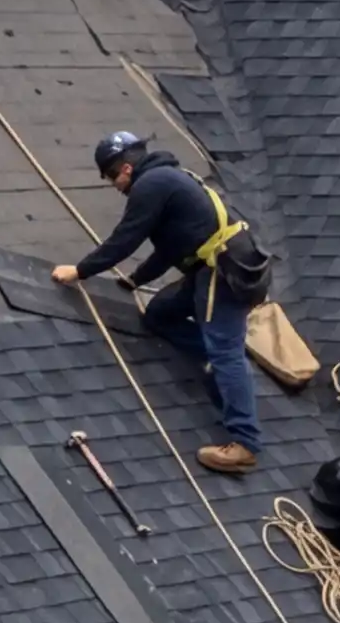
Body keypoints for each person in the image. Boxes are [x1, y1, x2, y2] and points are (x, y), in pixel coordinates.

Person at [58, 129, 264, 474]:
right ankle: (216, 362)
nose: (114, 185)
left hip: (223, 272)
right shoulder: (169, 177)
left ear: (125, 168)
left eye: (111, 176)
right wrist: (136, 280)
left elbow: (125, 238)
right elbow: (171, 247)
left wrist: (79, 271)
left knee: (225, 348)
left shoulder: (150, 185)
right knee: (159, 315)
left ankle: (245, 444)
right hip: (210, 267)